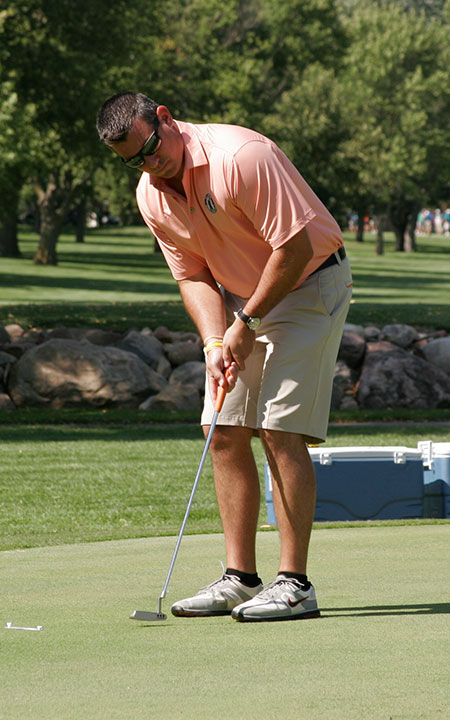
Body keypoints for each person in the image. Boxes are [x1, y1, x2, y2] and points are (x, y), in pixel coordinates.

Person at [97, 92, 352, 622]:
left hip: (308, 284)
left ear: (164, 118)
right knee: (224, 427)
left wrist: (246, 323)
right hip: (242, 301)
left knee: (280, 430)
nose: (150, 165)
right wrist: (215, 343)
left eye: (151, 148)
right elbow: (191, 274)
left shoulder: (241, 156)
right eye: (134, 161)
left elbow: (297, 249)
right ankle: (240, 579)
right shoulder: (151, 195)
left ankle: (295, 585)